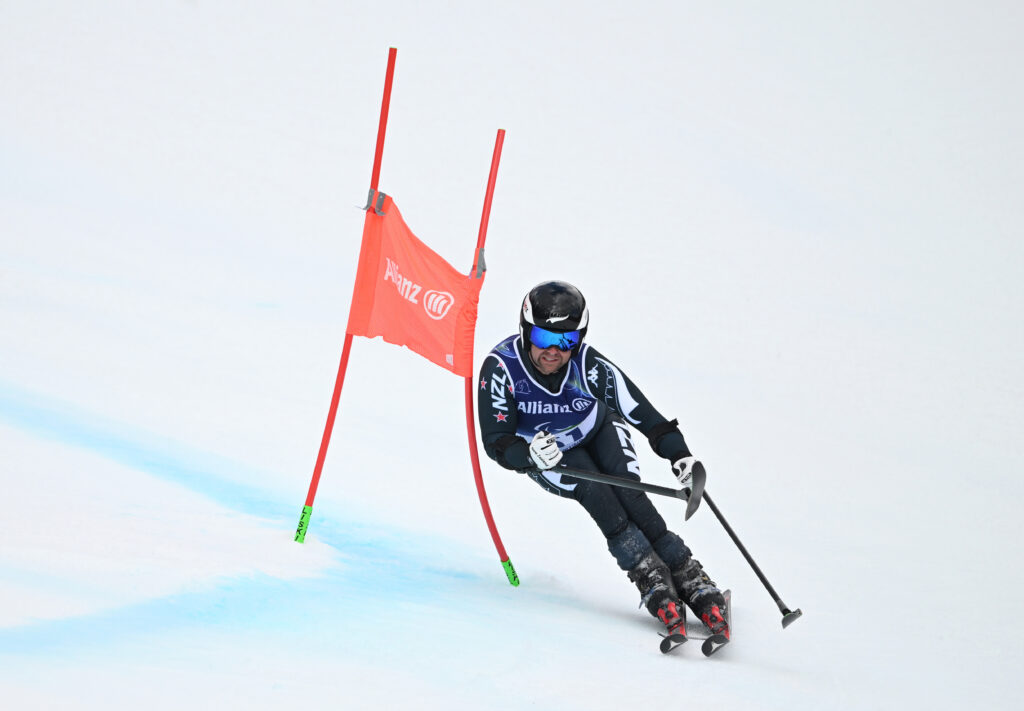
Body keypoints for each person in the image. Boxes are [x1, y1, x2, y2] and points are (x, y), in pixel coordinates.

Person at [477, 280, 728, 639]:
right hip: (548, 454)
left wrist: (681, 457)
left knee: (632, 496)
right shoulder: (501, 367)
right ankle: (650, 577)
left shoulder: (587, 364)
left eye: (566, 341)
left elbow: (645, 414)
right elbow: (496, 440)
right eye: (544, 339)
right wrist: (527, 455)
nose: (554, 352)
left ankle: (689, 574)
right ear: (525, 330)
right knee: (599, 495)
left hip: (599, 428)